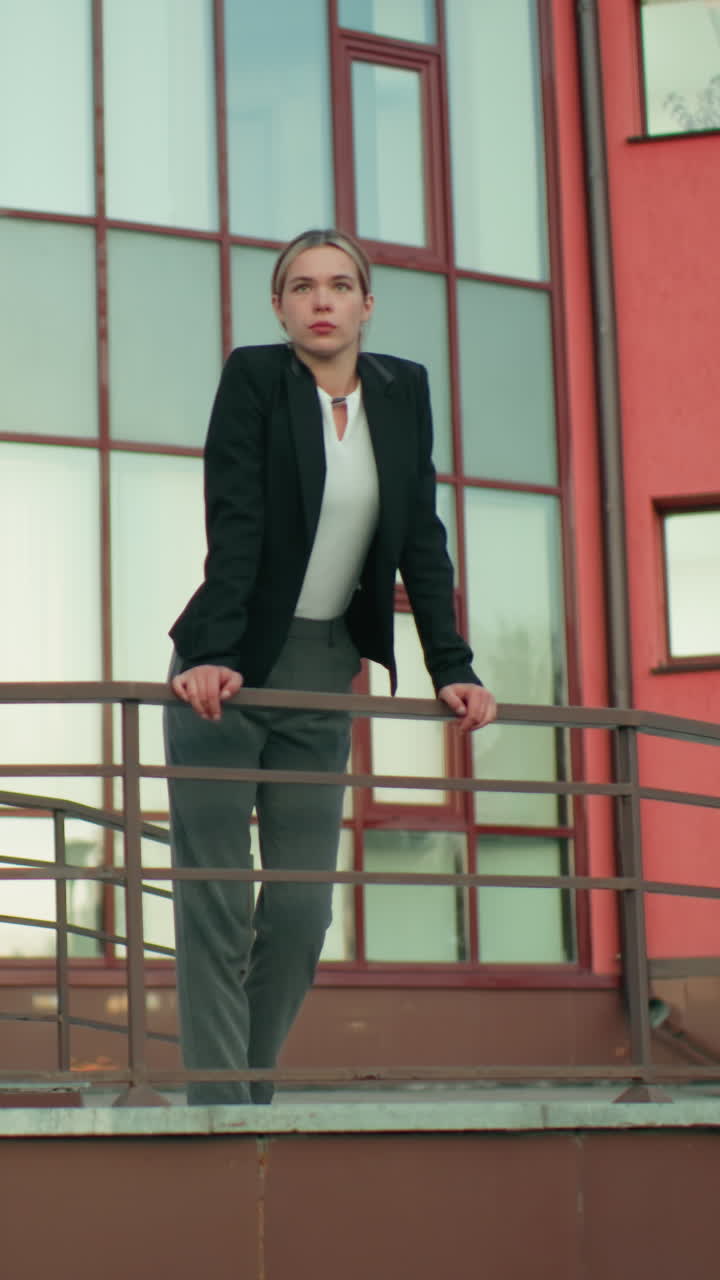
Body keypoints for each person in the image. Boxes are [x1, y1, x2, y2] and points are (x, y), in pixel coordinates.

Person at [165, 228, 496, 1105]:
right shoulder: (255, 380)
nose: (321, 300)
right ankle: (219, 1108)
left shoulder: (402, 390)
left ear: (366, 305)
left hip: (325, 667)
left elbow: (421, 540)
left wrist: (449, 666)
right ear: (279, 306)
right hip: (226, 669)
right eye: (302, 286)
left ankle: (246, 1087)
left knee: (302, 911)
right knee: (218, 901)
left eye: (340, 285)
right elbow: (234, 522)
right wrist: (210, 655)